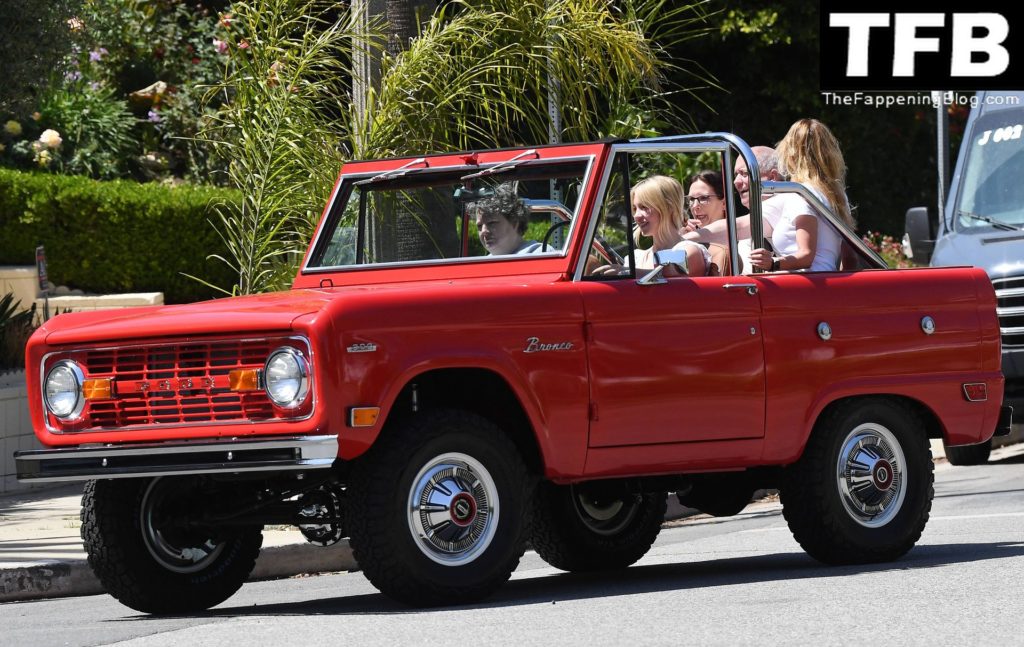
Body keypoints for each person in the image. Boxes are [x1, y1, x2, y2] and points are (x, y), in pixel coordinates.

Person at [748, 118, 853, 272]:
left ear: (791, 154)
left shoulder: (800, 193)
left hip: (803, 282)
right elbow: (850, 258)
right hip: (827, 279)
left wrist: (772, 263)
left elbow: (806, 255)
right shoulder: (838, 195)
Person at [683, 146, 785, 274]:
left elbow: (738, 227)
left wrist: (679, 239)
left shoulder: (784, 203)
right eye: (691, 199)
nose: (736, 182)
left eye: (744, 174)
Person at [593, 175, 708, 277]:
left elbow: (669, 273)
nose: (636, 216)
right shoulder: (637, 257)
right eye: (635, 209)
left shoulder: (688, 250)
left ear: (669, 207)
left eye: (644, 207)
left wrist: (626, 272)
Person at [473, 185, 542, 255]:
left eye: (491, 223)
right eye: (479, 226)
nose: (483, 231)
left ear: (514, 223)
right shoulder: (483, 261)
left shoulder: (541, 255)